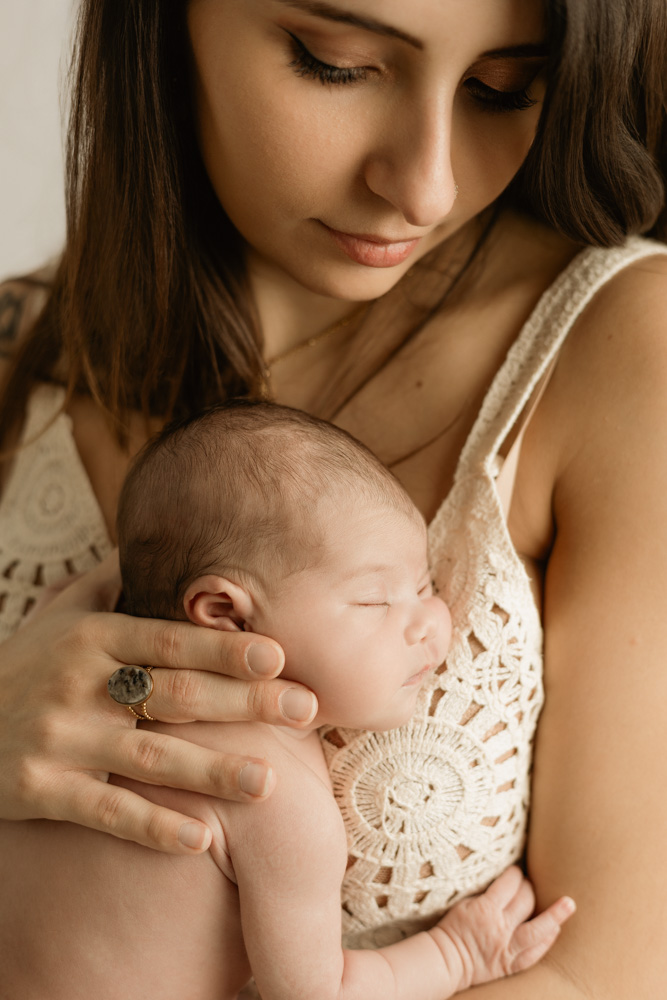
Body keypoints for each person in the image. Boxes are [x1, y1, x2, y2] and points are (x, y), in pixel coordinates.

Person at [0, 0, 666, 995]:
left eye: (501, 87)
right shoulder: (19, 348)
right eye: (336, 63)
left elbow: (603, 970)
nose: (426, 184)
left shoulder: (623, 351)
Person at [0, 399, 575, 998]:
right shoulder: (268, 794)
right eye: (375, 600)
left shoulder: (57, 668)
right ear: (227, 616)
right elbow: (314, 993)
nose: (430, 619)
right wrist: (455, 954)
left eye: (426, 585)